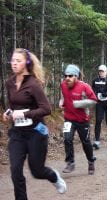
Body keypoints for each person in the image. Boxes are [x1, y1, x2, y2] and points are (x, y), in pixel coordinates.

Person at [3, 48, 66, 199]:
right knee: (15, 171)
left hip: (36, 133)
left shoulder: (33, 84)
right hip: (18, 133)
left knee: (37, 171)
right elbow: (14, 105)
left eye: (18, 61)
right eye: (13, 60)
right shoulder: (9, 83)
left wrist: (25, 114)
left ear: (27, 63)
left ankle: (54, 177)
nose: (14, 63)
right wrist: (9, 112)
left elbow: (46, 109)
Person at [60, 64, 97, 175]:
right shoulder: (63, 85)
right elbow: (63, 96)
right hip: (69, 118)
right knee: (67, 138)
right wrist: (61, 102)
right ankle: (70, 163)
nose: (67, 78)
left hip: (82, 120)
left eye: (70, 76)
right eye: (66, 75)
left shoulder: (84, 86)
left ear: (76, 76)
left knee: (85, 142)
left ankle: (90, 161)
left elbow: (94, 100)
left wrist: (79, 104)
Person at [91, 64, 107, 149]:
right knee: (98, 121)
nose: (101, 73)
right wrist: (95, 95)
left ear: (106, 72)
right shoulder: (95, 80)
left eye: (103, 71)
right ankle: (97, 141)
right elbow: (92, 89)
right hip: (99, 103)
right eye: (100, 71)